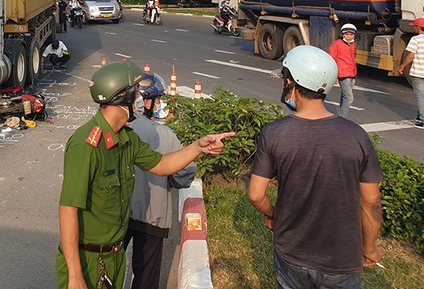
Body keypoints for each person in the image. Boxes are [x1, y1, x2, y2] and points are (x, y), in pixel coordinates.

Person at [56, 61, 234, 289]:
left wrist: (198, 147)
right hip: (86, 259)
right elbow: (68, 209)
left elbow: (161, 164)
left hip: (113, 258)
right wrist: (74, 275)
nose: (140, 98)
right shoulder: (86, 145)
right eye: (137, 92)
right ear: (122, 96)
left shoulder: (127, 138)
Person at [248, 45, 383, 288]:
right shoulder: (357, 136)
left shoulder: (274, 133)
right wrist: (370, 248)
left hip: (291, 255)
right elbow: (371, 202)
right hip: (341, 260)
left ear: (290, 82)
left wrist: (272, 214)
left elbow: (256, 195)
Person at [124, 73, 195, 289]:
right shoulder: (166, 134)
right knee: (146, 277)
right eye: (158, 99)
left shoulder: (122, 130)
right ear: (148, 101)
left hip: (121, 214)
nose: (159, 104)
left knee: (110, 269)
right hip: (152, 217)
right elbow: (184, 176)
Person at [396, 17, 424, 127]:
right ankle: (418, 117)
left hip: (418, 72)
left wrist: (402, 66)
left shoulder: (415, 40)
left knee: (420, 96)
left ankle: (422, 120)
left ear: (418, 27)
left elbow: (411, 55)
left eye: (415, 27)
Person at [328, 23, 358, 118]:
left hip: (352, 73)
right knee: (349, 98)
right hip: (342, 74)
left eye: (351, 34)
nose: (349, 36)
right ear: (343, 34)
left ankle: (341, 115)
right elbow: (331, 59)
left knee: (344, 96)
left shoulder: (353, 44)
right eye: (347, 34)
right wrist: (335, 75)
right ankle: (343, 118)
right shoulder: (336, 44)